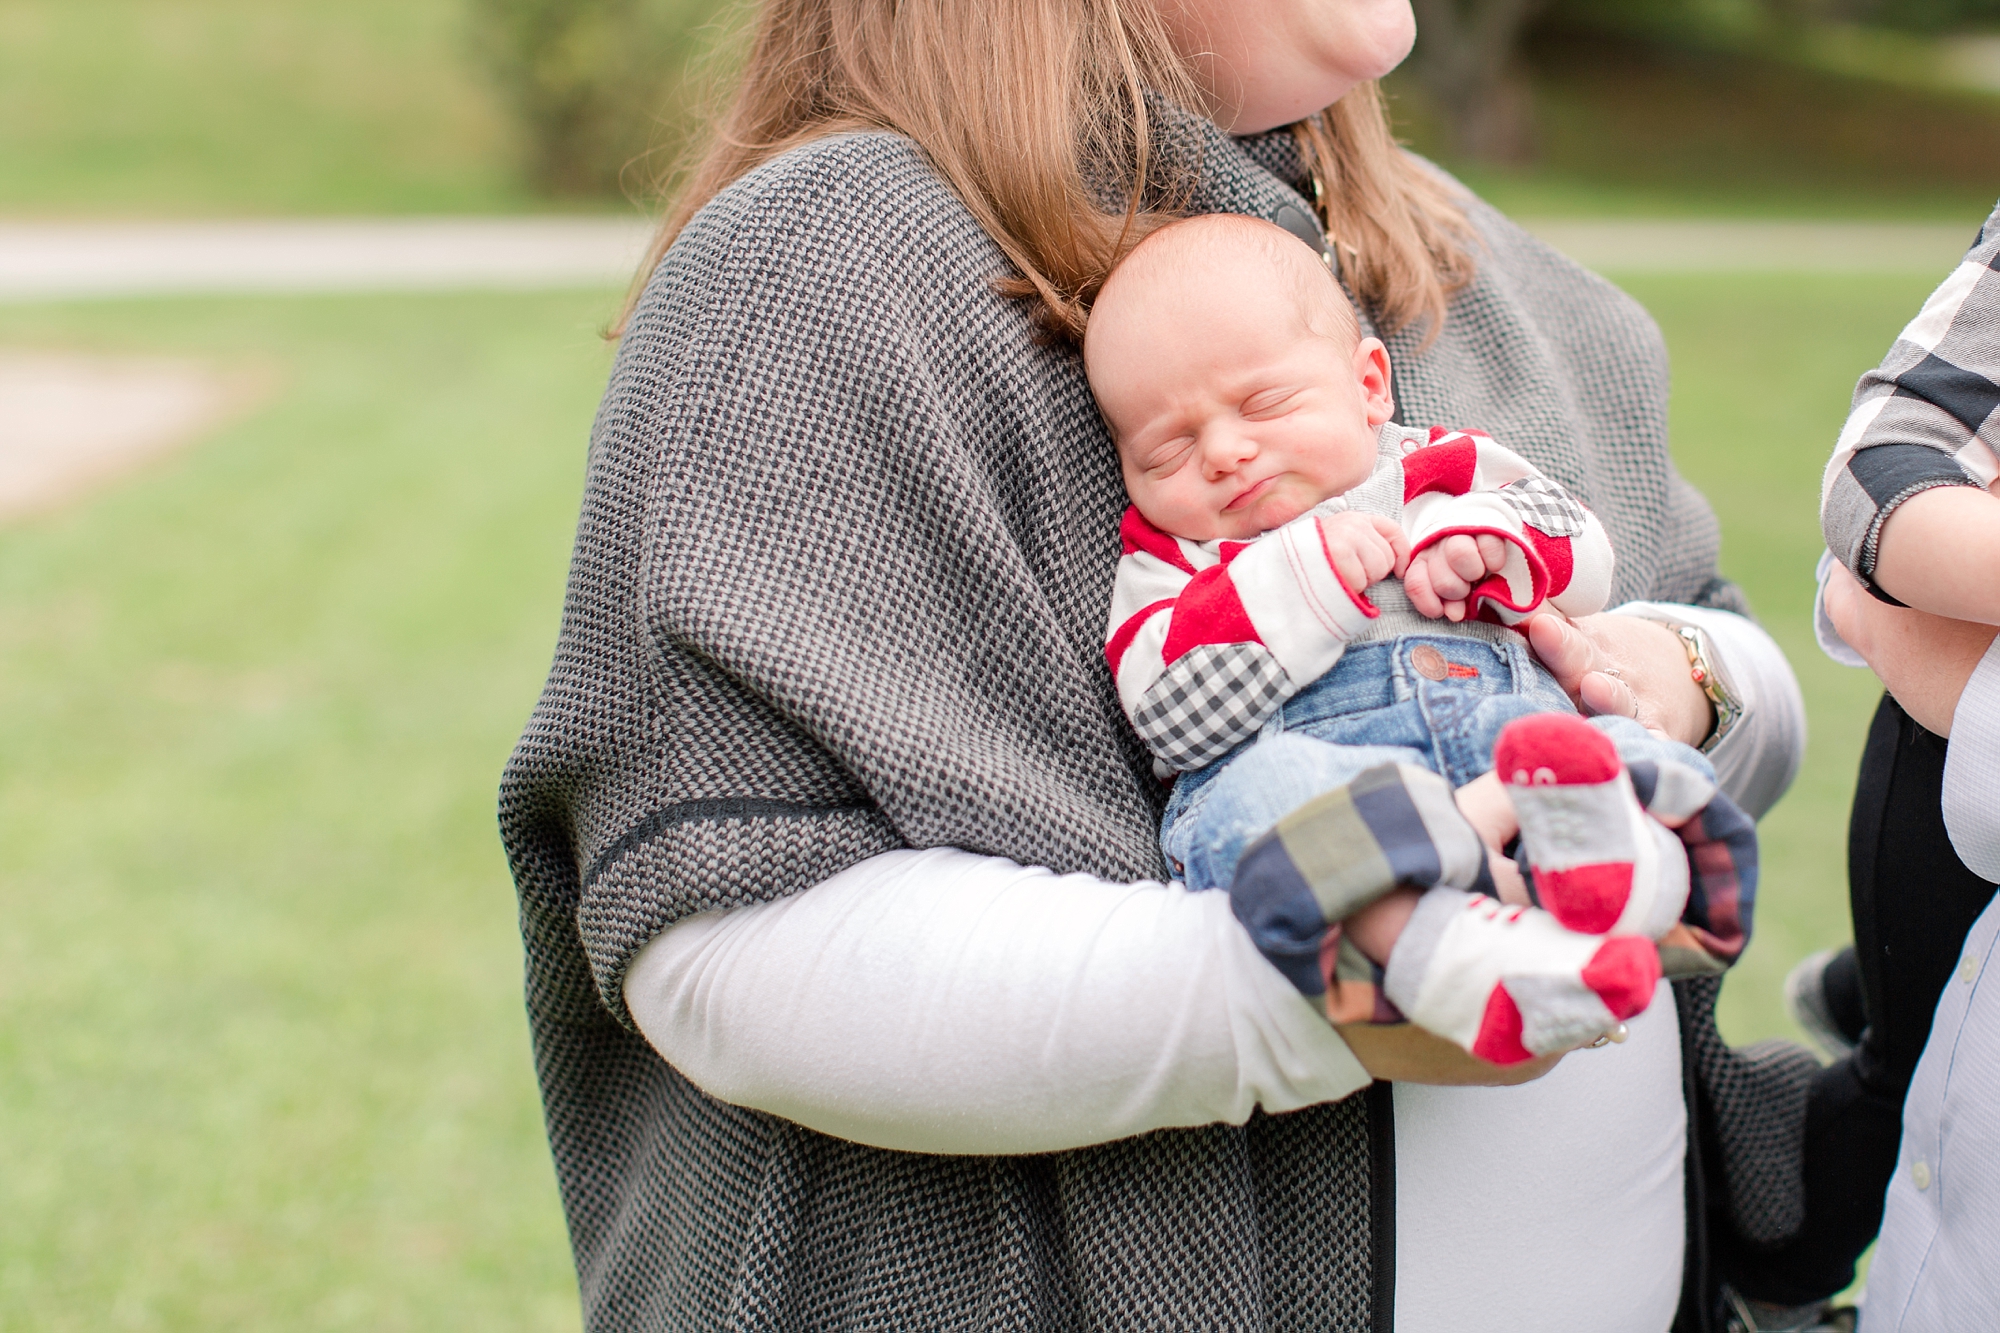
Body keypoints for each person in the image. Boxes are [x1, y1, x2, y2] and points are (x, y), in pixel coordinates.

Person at [498, 1, 1810, 1328]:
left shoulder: (1473, 255)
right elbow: (724, 942)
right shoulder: (827, 259)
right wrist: (1327, 983)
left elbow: (1742, 682)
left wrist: (1673, 669)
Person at [1090, 214, 1756, 1065]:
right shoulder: (1169, 561)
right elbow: (1166, 712)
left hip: (1505, 743)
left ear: (1369, 384)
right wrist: (1297, 586)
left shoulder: (1436, 470)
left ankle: (1625, 876)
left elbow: (1584, 550)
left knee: (1608, 750)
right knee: (1260, 811)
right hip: (1325, 777)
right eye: (1167, 450)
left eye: (1263, 403)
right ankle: (1453, 960)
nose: (1224, 451)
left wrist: (1493, 541)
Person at [1776, 199, 2000, 1329]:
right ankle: (1766, 1273)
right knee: (1896, 1067)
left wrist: (1895, 626)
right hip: (1933, 773)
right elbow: (1879, 474)